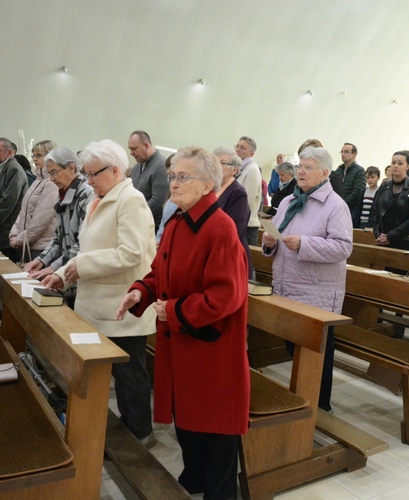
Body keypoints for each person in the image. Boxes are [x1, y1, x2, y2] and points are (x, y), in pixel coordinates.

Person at [117, 146, 249, 499]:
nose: (173, 183)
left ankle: (219, 492)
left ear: (208, 185)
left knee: (215, 430)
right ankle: (194, 479)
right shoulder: (177, 222)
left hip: (212, 349)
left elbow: (227, 297)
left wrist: (173, 311)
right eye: (172, 176)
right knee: (187, 421)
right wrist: (140, 293)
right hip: (184, 346)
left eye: (182, 177)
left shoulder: (220, 229)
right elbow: (159, 272)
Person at [42, 140, 157, 445]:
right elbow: (86, 251)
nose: (89, 181)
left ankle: (140, 437)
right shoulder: (100, 198)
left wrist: (79, 267)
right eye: (87, 174)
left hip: (121, 306)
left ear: (116, 170)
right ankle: (114, 432)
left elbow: (131, 253)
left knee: (130, 375)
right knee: (106, 374)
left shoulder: (130, 200)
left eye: (94, 174)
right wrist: (61, 276)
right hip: (96, 303)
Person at [261, 146, 353, 412]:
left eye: (308, 167)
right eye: (300, 166)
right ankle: (303, 399)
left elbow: (342, 247)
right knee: (295, 347)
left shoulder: (336, 206)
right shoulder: (290, 201)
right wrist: (270, 242)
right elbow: (278, 239)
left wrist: (304, 243)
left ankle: (320, 406)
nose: (301, 171)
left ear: (325, 173)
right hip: (288, 286)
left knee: (317, 355)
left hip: (317, 293)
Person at [25, 147, 94, 307]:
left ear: (71, 168)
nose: (51, 179)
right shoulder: (62, 194)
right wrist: (41, 260)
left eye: (54, 172)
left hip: (76, 275)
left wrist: (52, 267)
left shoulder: (87, 195)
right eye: (49, 173)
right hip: (64, 272)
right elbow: (58, 238)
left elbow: (83, 244)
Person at [8, 140, 58, 263]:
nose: (35, 159)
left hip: (41, 247)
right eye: (33, 155)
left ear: (51, 156)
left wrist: (20, 239)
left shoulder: (52, 183)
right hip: (27, 244)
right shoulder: (37, 180)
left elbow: (41, 219)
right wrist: (14, 234)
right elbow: (23, 210)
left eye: (39, 155)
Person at [370, 151, 409, 251]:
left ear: (408, 166)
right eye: (393, 163)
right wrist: (378, 235)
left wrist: (390, 236)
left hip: (404, 240)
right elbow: (375, 211)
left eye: (400, 163)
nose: (395, 166)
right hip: (383, 239)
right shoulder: (384, 186)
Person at [213, 147, 252, 274]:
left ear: (234, 170)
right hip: (213, 252)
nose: (216, 166)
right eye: (214, 162)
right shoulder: (209, 189)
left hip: (230, 257)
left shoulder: (238, 193)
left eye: (222, 163)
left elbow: (234, 230)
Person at [128, 130, 169, 229]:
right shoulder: (137, 167)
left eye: (134, 149)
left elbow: (157, 202)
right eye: (130, 149)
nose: (131, 153)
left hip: (148, 226)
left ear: (146, 146)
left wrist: (134, 216)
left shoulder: (161, 166)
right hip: (134, 223)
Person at [234, 136, 263, 245]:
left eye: (242, 148)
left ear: (251, 154)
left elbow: (247, 200)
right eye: (237, 146)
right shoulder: (240, 167)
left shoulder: (252, 169)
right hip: (239, 222)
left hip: (247, 225)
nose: (237, 150)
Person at [335, 142, 366, 218]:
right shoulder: (338, 170)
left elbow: (358, 191)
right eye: (341, 152)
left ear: (354, 154)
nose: (343, 154)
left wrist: (343, 203)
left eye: (346, 152)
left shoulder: (359, 171)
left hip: (351, 210)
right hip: (336, 209)